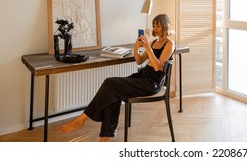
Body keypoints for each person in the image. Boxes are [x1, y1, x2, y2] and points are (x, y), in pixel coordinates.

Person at [57, 14, 175, 142]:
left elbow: (158, 67)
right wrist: (136, 48)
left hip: (151, 83)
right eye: (154, 26)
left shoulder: (169, 44)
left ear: (165, 26)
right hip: (141, 76)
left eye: (158, 26)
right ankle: (104, 139)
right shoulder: (153, 42)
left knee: (110, 84)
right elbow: (139, 61)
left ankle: (82, 119)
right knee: (113, 93)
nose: (156, 29)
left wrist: (147, 48)